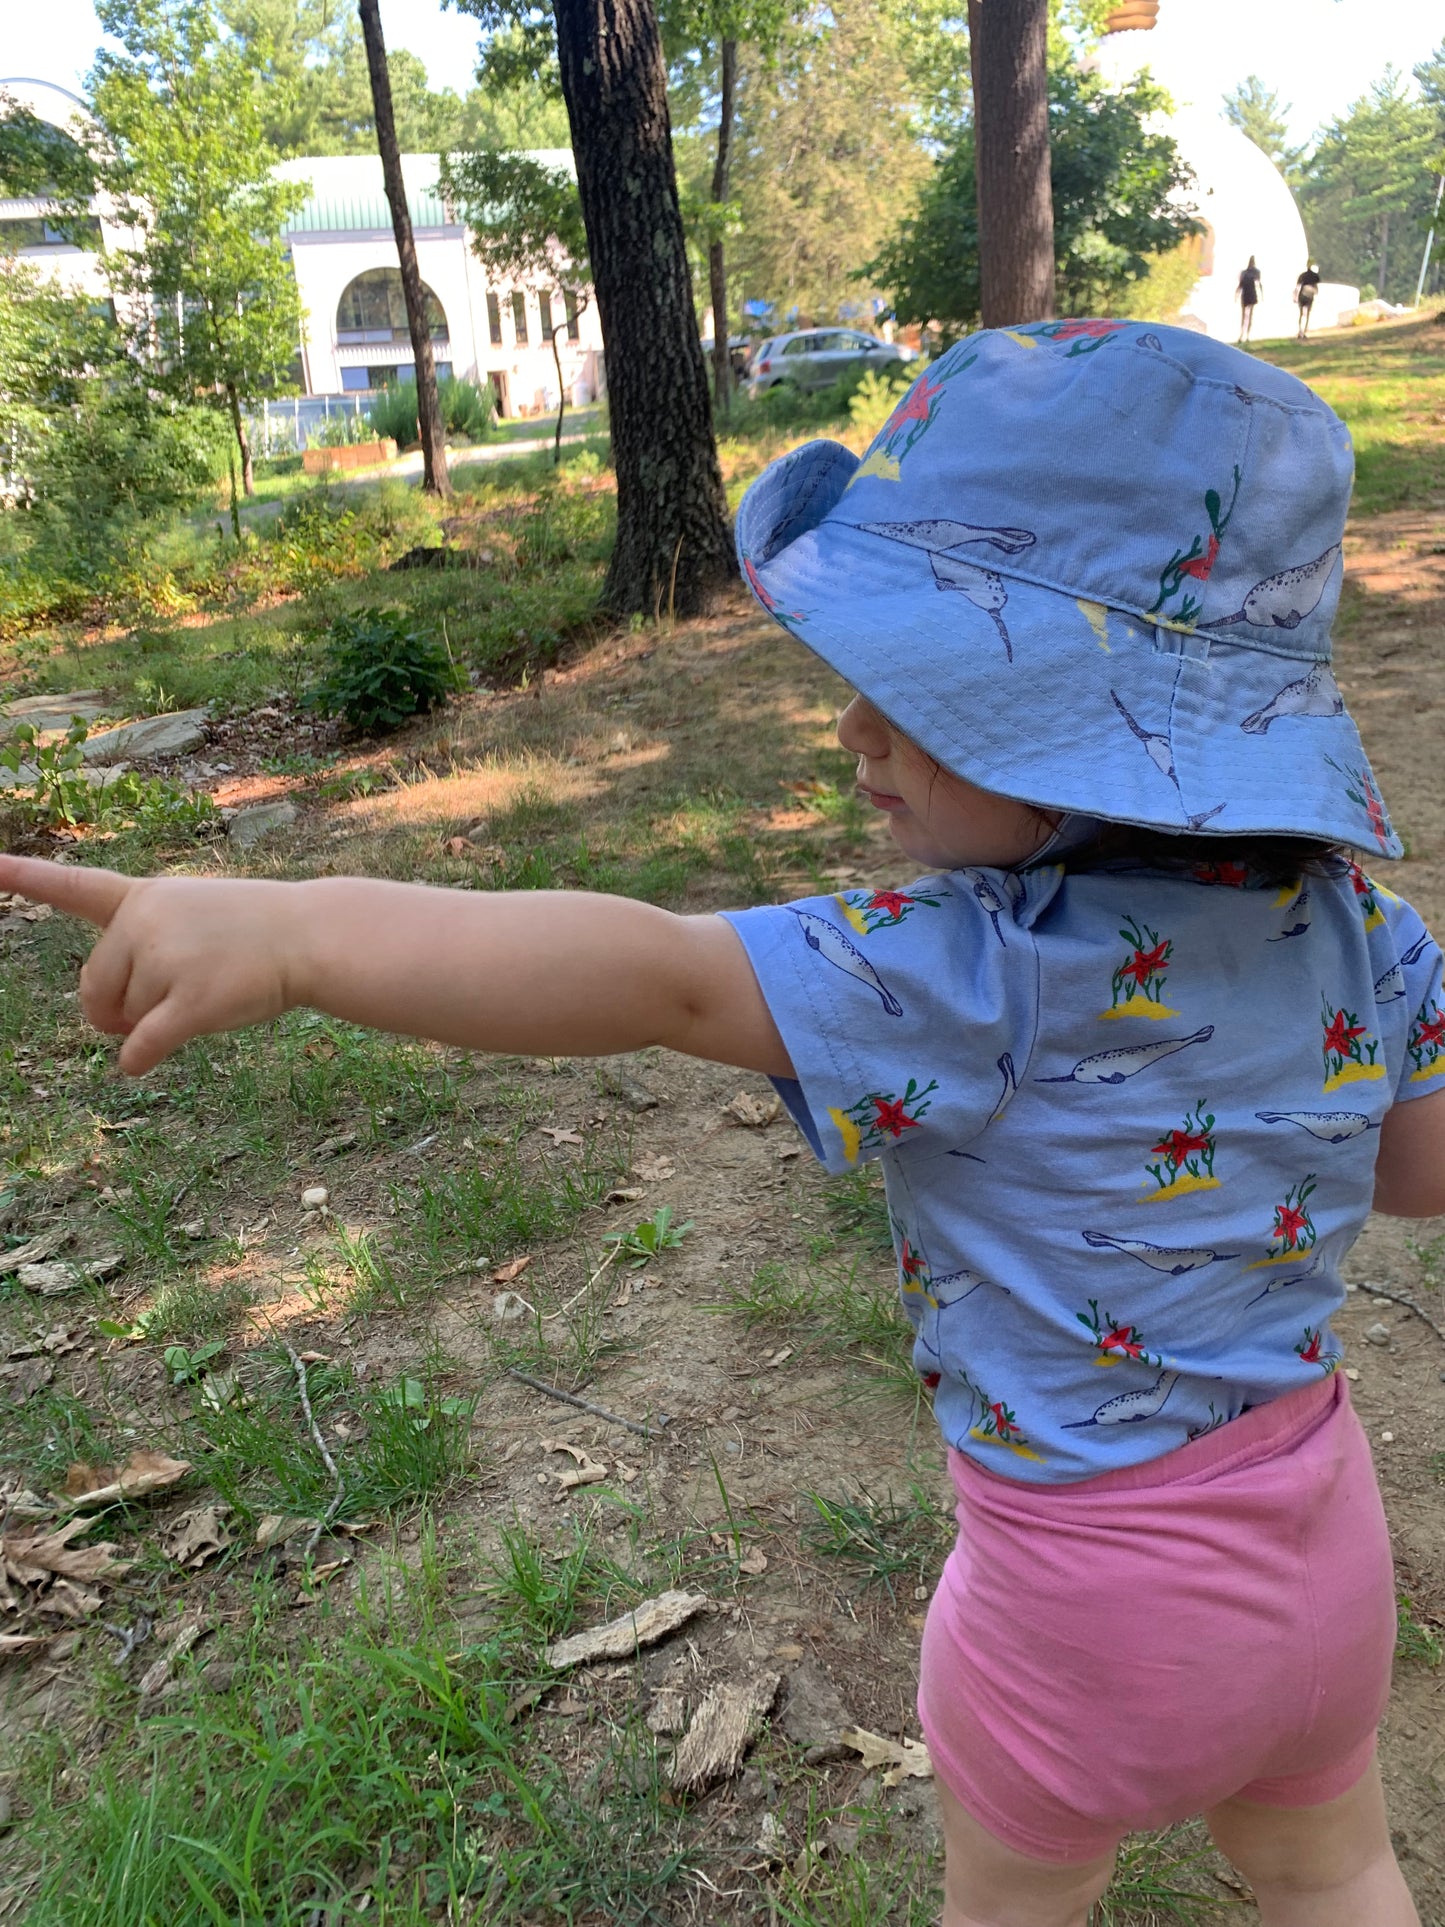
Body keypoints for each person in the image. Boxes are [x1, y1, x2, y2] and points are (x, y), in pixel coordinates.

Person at [3, 323, 1439, 1927]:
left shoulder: (975, 961)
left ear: (1078, 730)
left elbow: (654, 976)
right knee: (1332, 1872)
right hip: (1318, 1555)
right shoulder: (1366, 935)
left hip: (1080, 1606)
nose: (854, 734)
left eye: (923, 691)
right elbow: (1420, 1175)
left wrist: (296, 937)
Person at [1237, 254, 1263, 342]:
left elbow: (1259, 284)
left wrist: (1262, 295)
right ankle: (1243, 334)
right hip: (1248, 294)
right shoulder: (1252, 272)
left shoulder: (1247, 273)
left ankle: (1246, 335)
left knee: (1247, 316)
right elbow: (1241, 285)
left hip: (1249, 294)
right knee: (1246, 316)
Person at [1296, 260, 1322, 339]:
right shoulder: (1315, 276)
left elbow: (1298, 286)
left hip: (1302, 294)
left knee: (1301, 314)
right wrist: (1316, 292)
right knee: (1307, 314)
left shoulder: (1302, 275)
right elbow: (1316, 285)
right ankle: (1305, 331)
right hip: (1310, 295)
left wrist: (1295, 296)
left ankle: (1300, 331)